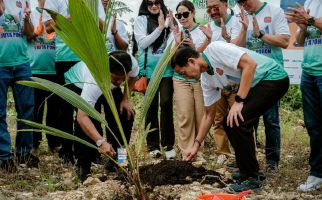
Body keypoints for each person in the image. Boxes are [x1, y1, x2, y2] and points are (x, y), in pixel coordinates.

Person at [171, 41, 289, 191]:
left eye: (183, 73)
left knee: (239, 121)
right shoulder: (207, 80)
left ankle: (252, 177)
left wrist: (239, 101)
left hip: (273, 77)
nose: (186, 78)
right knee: (229, 122)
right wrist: (196, 145)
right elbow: (208, 116)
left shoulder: (215, 49)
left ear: (191, 61)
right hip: (258, 85)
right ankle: (248, 170)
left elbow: (250, 64)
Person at [42, 0, 106, 164]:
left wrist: (87, 12)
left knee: (91, 106)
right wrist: (75, 16)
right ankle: (66, 150)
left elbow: (102, 28)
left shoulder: (93, 1)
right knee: (65, 108)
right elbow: (48, 28)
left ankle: (91, 151)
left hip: (87, 57)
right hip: (64, 59)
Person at [232, 0, 290, 172]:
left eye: (245, 0)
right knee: (249, 120)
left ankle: (272, 162)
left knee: (271, 120)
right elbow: (237, 48)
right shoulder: (239, 15)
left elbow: (285, 41)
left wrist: (261, 35)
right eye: (239, 2)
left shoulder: (274, 11)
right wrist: (244, 28)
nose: (243, 4)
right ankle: (250, 160)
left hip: (271, 77)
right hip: (249, 77)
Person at [73, 51, 138, 182]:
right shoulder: (93, 80)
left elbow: (134, 77)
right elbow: (82, 117)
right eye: (115, 78)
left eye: (122, 78)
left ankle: (119, 160)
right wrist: (100, 142)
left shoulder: (131, 63)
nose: (119, 82)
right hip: (79, 82)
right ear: (106, 71)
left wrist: (125, 99)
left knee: (125, 114)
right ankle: (83, 165)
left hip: (105, 85)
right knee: (89, 121)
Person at [286, 0, 322, 192]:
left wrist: (310, 19)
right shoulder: (310, 1)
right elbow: (300, 41)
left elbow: (313, 22)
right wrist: (302, 27)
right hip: (309, 71)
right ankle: (316, 174)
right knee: (314, 126)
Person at [200, 0, 242, 165]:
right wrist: (208, 40)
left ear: (226, 5)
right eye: (209, 9)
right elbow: (202, 57)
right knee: (218, 119)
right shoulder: (208, 27)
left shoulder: (238, 22)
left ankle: (243, 154)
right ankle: (223, 152)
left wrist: (229, 38)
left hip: (235, 81)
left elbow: (243, 50)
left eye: (216, 7)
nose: (213, 11)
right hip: (216, 82)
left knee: (239, 120)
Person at [0, 0, 39, 172]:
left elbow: (30, 34)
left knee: (27, 110)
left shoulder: (24, 2)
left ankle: (24, 153)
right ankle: (4, 157)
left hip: (22, 63)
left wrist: (26, 20)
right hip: (1, 64)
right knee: (0, 112)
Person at [134, 0, 175, 159]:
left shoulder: (169, 18)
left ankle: (168, 144)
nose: (154, 6)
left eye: (157, 2)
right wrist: (159, 28)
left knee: (166, 104)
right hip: (149, 72)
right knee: (151, 108)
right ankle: (152, 145)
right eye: (150, 3)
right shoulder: (141, 20)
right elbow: (142, 43)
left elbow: (175, 42)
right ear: (145, 5)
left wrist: (169, 26)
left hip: (166, 71)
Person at [170, 0, 208, 161]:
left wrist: (193, 47)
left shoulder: (203, 30)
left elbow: (205, 58)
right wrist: (177, 43)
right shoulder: (177, 31)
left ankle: (198, 151)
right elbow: (171, 59)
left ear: (193, 13)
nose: (182, 17)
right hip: (180, 79)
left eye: (185, 14)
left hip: (200, 79)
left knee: (201, 115)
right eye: (179, 15)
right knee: (184, 114)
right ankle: (186, 151)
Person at [28, 0, 58, 154]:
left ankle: (54, 143)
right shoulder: (30, 15)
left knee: (54, 110)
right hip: (35, 70)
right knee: (36, 110)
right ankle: (34, 143)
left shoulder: (59, 14)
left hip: (55, 70)